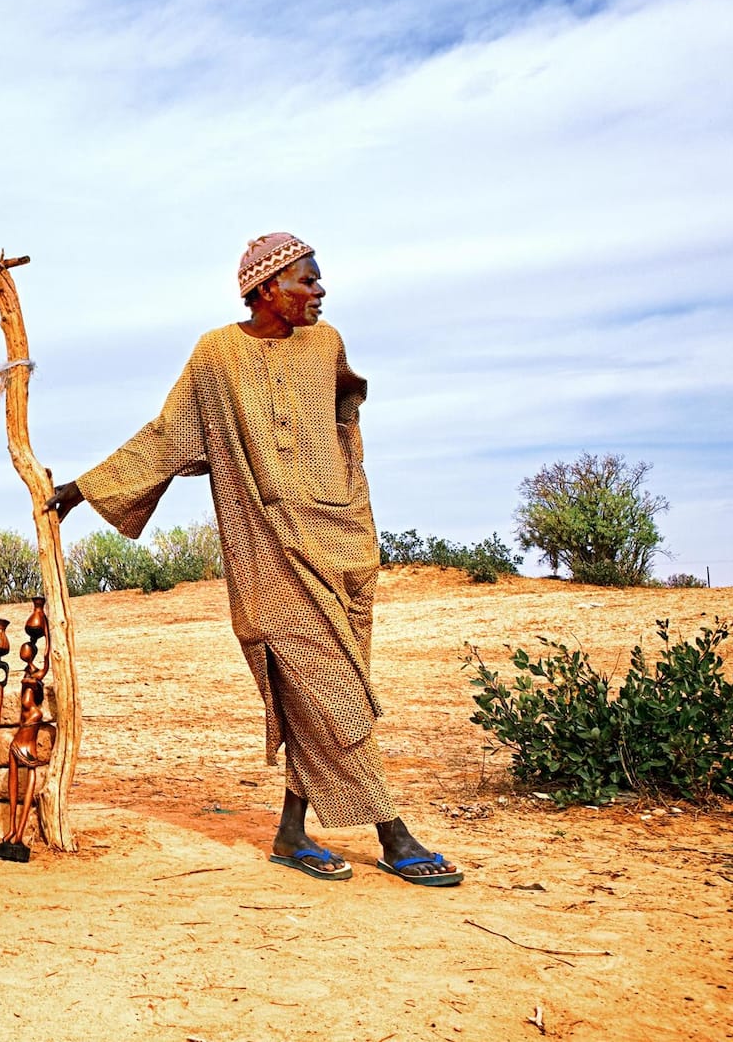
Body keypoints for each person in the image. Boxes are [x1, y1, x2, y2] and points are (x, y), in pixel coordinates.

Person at [47, 233, 460, 886]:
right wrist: (83, 488)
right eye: (308, 280)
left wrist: (353, 517)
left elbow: (347, 431)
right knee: (336, 693)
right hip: (267, 555)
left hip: (343, 548)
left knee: (319, 696)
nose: (320, 292)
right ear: (268, 287)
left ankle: (292, 832)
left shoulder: (327, 347)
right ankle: (392, 831)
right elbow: (169, 438)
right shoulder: (217, 356)